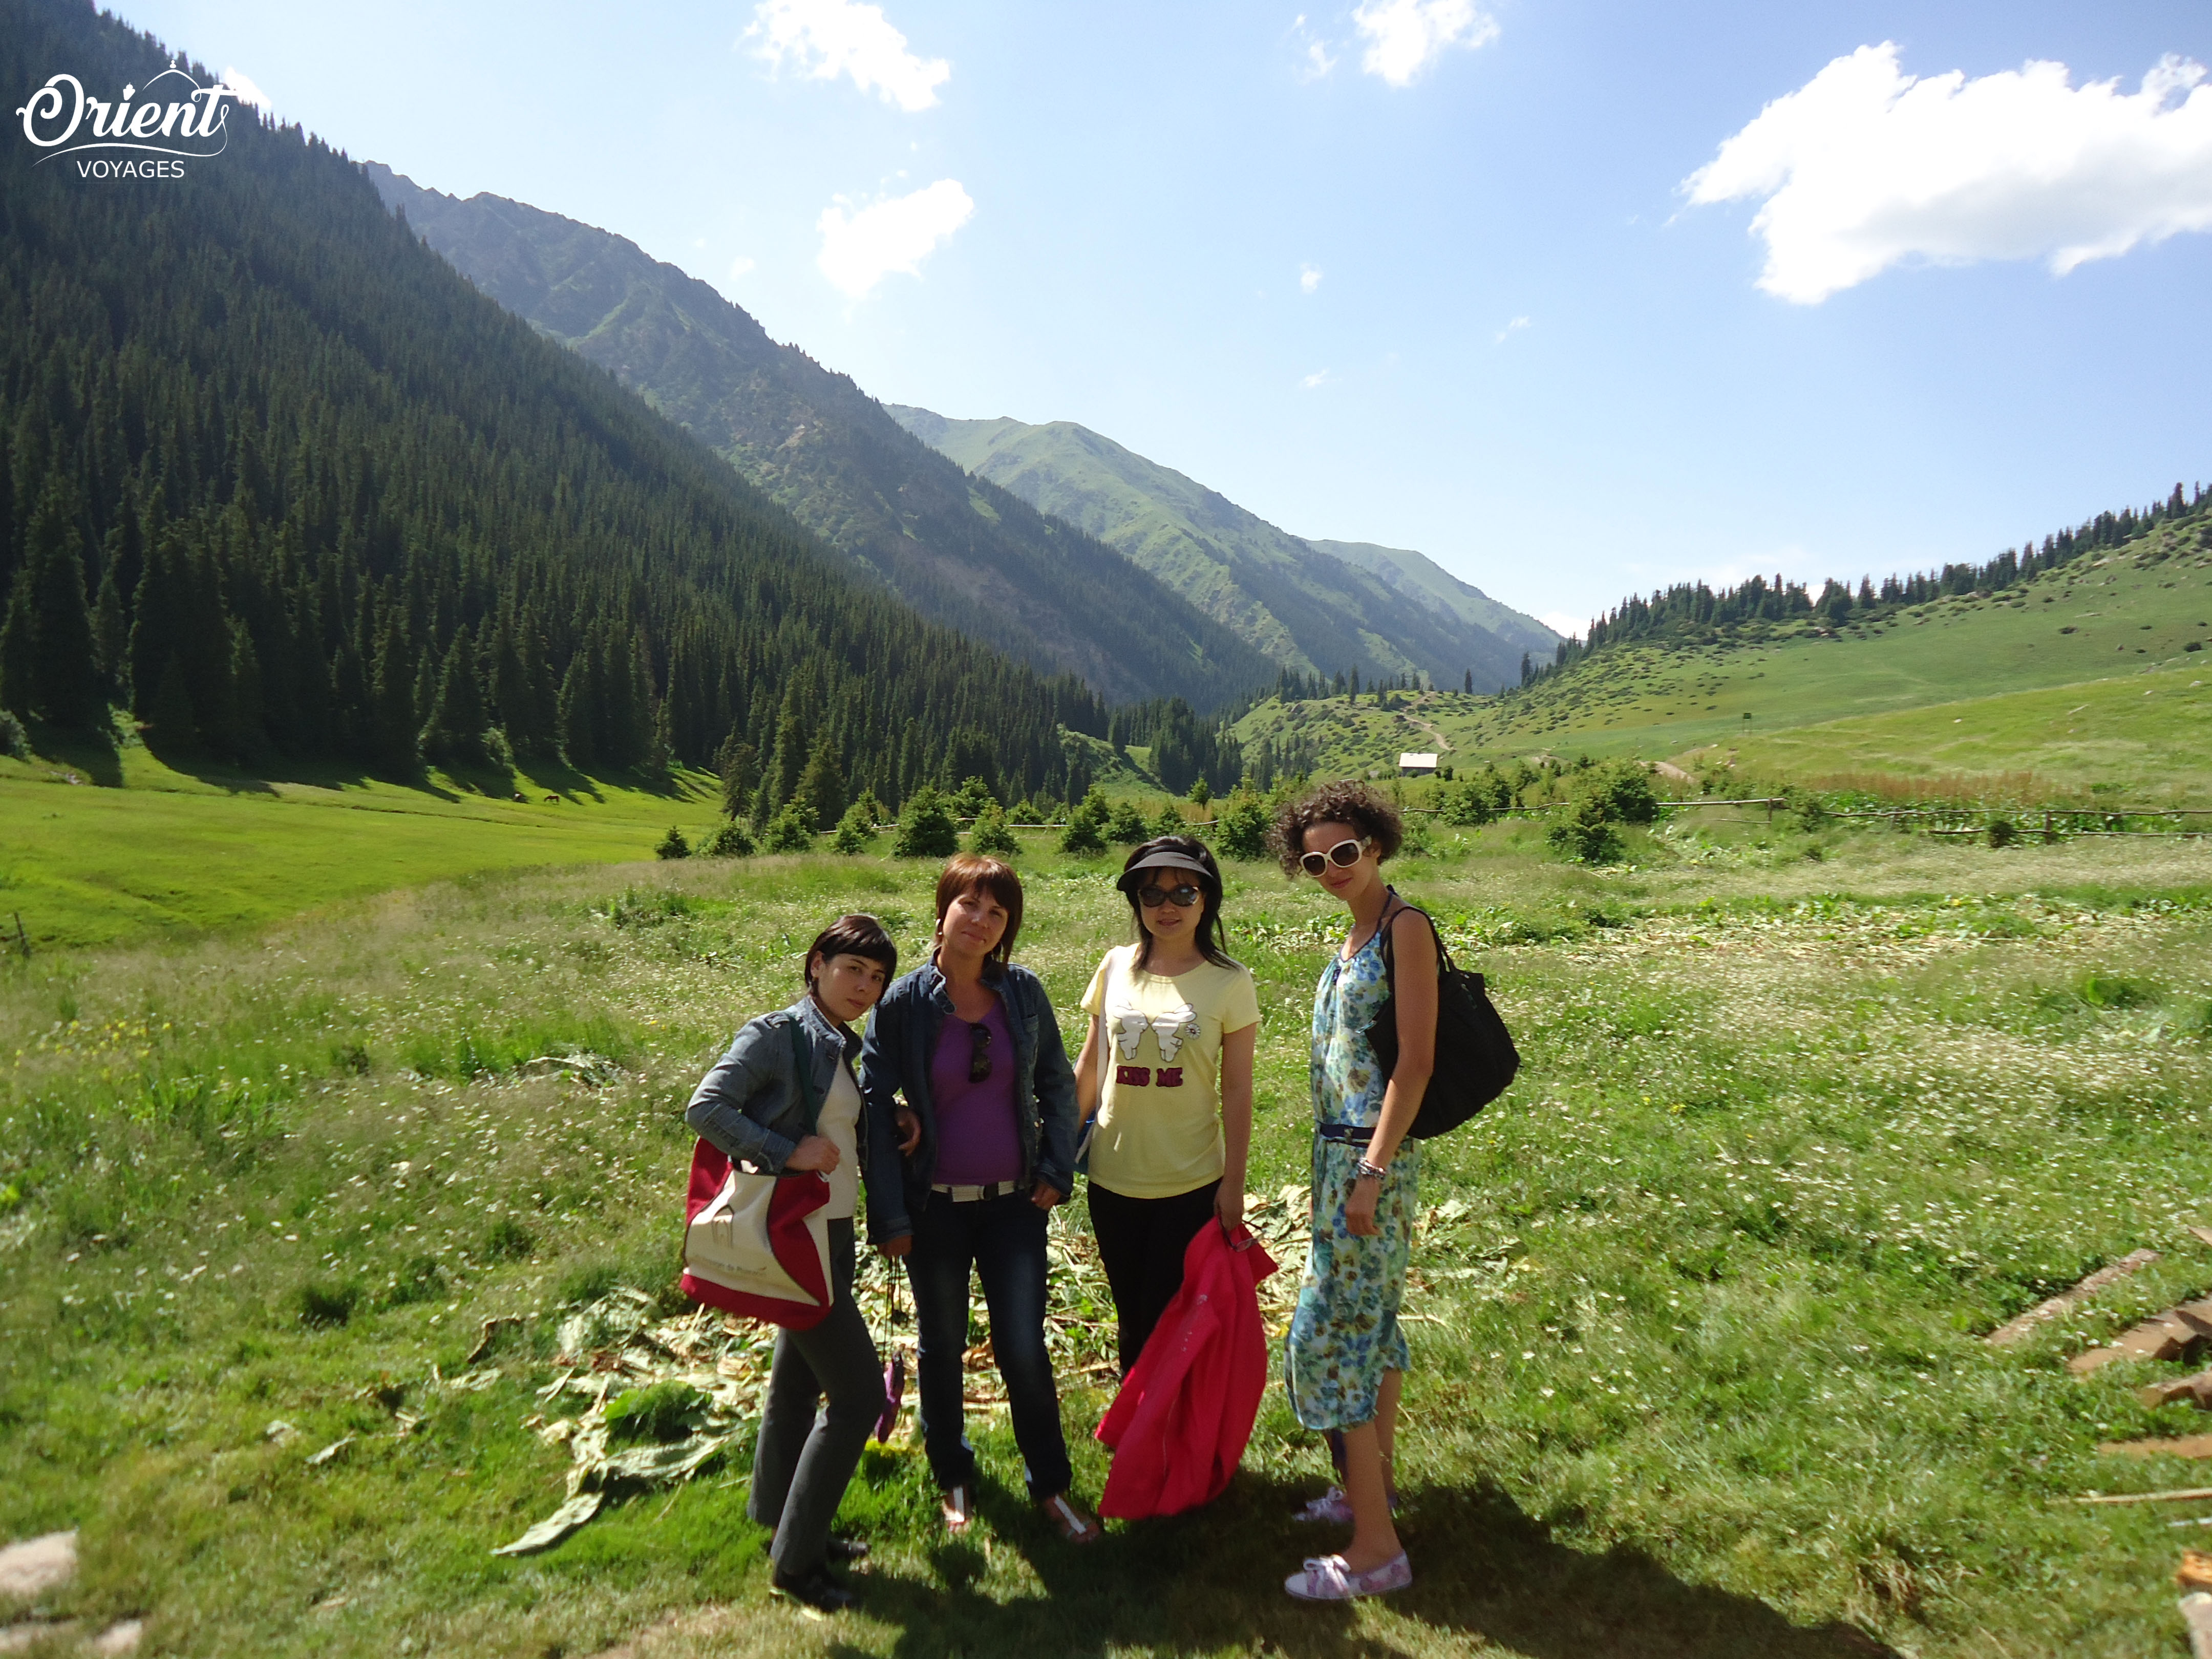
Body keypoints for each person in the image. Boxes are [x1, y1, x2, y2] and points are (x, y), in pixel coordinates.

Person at [859, 855, 1101, 1543]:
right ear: (943, 912)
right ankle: (953, 1477)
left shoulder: (1022, 994)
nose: (982, 920)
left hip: (1012, 1206)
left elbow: (1056, 1084)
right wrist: (891, 1215)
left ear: (1007, 929)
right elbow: (876, 1108)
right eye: (971, 905)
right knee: (941, 1344)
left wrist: (1058, 1166)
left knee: (1023, 1348)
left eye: (998, 913)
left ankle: (1050, 1488)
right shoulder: (902, 1004)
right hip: (933, 1208)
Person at [683, 914, 899, 1612]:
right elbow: (706, 1106)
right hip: (792, 1234)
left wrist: (885, 1122)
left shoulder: (841, 1042)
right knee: (860, 1396)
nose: (863, 986)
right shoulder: (778, 1034)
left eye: (876, 977)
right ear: (816, 966)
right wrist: (787, 1152)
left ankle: (781, 1522)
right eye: (851, 970)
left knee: (796, 1386)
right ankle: (797, 1566)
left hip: (827, 1234)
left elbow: (833, 1118)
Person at [1266, 782, 1435, 1602]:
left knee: (1327, 1339)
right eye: (1313, 860)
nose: (1330, 868)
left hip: (1372, 1161)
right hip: (1340, 1160)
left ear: (1375, 844)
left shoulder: (1405, 928)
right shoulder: (1352, 936)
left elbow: (1416, 1063)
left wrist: (1370, 1173)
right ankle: (1370, 1492)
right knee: (1373, 1329)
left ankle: (1376, 1552)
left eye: (1343, 852)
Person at [1075, 836, 1259, 1375]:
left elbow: (1239, 1090)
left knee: (1170, 1317)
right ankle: (1137, 1441)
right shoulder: (1115, 966)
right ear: (1136, 903)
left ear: (1207, 900)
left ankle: (1178, 1438)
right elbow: (1090, 1066)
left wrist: (1234, 1184)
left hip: (1191, 1183)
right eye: (1151, 894)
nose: (1167, 907)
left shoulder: (1230, 981)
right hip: (1112, 1177)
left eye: (1184, 892)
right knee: (1130, 1317)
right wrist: (1054, 1152)